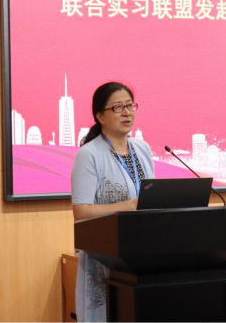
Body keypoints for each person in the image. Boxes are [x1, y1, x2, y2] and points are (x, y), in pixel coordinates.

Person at [71, 82, 154, 323]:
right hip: (106, 256)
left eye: (130, 106)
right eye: (118, 107)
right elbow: (81, 211)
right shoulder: (89, 154)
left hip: (143, 252)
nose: (127, 112)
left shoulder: (143, 148)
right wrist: (129, 206)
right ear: (100, 116)